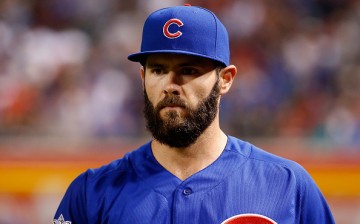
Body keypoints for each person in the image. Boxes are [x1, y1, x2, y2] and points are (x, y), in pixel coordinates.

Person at [53, 5, 335, 224]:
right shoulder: (91, 193)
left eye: (188, 70)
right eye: (158, 70)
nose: (170, 85)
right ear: (142, 77)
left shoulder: (287, 184)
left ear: (225, 79)